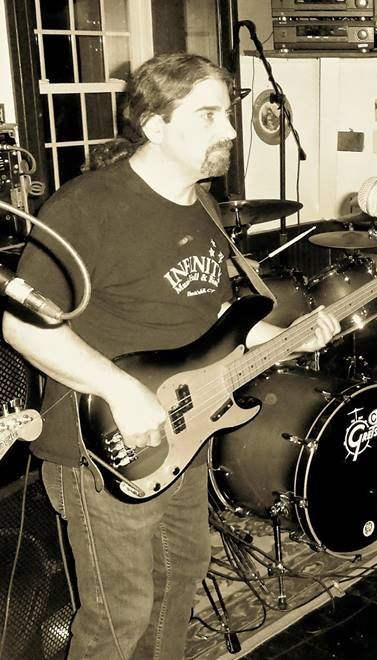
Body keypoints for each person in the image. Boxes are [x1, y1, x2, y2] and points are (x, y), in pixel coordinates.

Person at [1, 53, 340, 659]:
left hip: (184, 431)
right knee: (119, 616)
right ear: (155, 126)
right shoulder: (85, 208)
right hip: (106, 448)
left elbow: (212, 315)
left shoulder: (202, 205)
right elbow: (24, 327)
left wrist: (286, 336)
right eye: (208, 115)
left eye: (227, 113)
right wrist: (121, 389)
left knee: (180, 579)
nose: (229, 129)